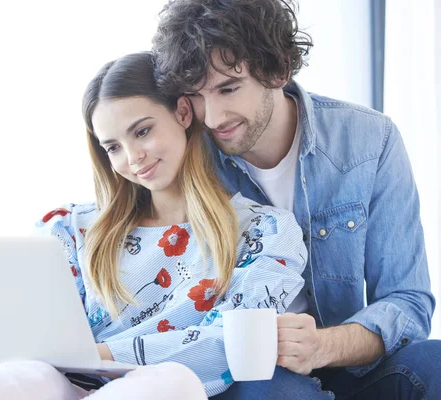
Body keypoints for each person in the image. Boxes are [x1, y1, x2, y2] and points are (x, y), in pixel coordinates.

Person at [0, 52, 308, 399]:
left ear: (183, 113)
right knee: (36, 377)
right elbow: (17, 351)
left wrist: (94, 356)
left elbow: (229, 347)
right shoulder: (71, 228)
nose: (133, 157)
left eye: (143, 131)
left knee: (170, 381)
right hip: (55, 383)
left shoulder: (264, 234)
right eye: (113, 147)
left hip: (165, 390)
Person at [151, 0, 439, 399]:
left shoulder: (369, 141)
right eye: (195, 97)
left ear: (279, 69)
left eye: (229, 88)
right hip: (252, 376)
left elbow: (408, 302)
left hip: (346, 361)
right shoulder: (189, 156)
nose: (212, 116)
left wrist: (322, 346)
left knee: (434, 363)